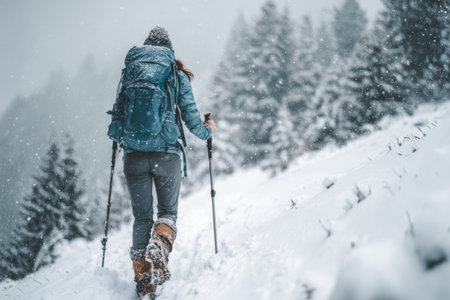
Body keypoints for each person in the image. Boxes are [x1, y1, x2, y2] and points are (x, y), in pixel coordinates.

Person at [107, 26, 216, 298]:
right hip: (166, 154)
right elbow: (192, 118)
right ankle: (159, 245)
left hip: (133, 155)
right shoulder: (176, 74)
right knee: (167, 212)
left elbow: (117, 120)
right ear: (168, 49)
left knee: (141, 217)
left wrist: (121, 136)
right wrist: (208, 130)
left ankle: (144, 279)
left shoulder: (130, 72)